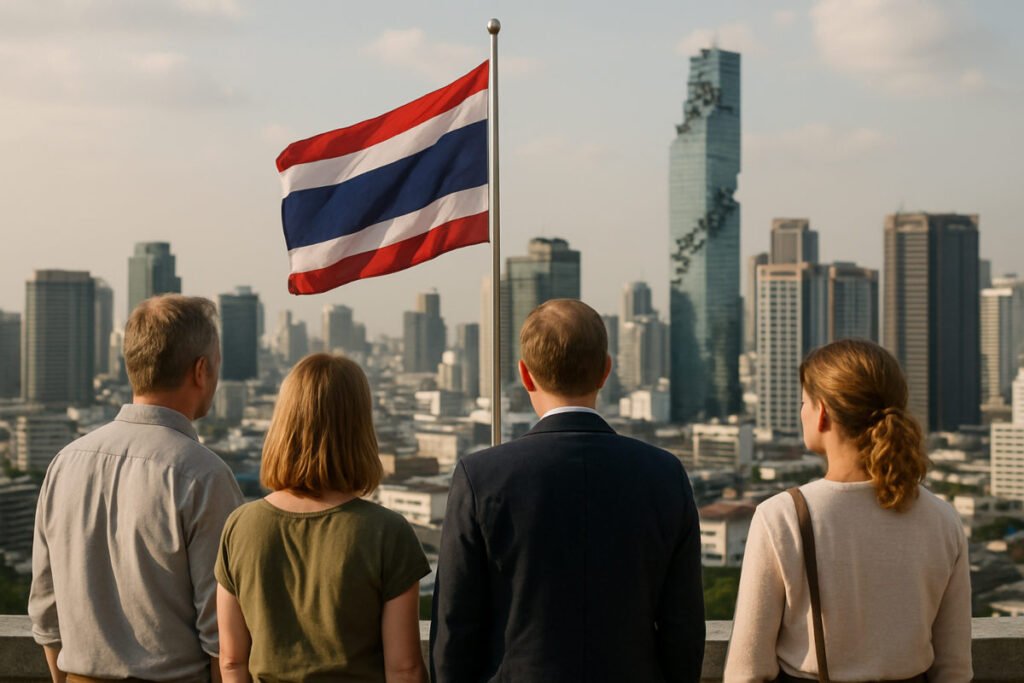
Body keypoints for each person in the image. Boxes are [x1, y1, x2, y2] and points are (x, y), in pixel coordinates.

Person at [431, 299, 705, 682]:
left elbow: (454, 628)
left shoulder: (480, 477)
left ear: (525, 375)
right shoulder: (664, 475)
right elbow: (684, 627)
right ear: (606, 370)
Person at [724, 339, 972, 682]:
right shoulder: (942, 518)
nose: (802, 412)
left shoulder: (784, 516)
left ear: (822, 412)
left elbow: (747, 671)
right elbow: (954, 668)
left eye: (804, 402)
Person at [29, 295, 244, 682]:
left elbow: (47, 614)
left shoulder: (65, 464)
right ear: (201, 370)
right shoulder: (204, 476)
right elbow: (223, 638)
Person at [215, 353, 430, 683]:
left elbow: (231, 661)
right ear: (360, 429)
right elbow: (404, 669)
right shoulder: (387, 532)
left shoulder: (240, 526)